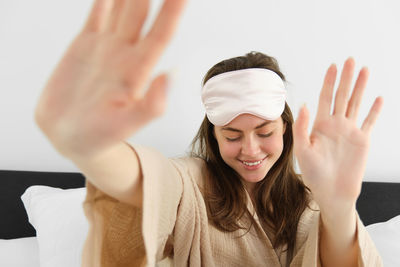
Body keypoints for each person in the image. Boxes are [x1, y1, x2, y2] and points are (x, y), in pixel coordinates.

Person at [34, 0, 383, 266]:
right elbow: (149, 184)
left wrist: (339, 210)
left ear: (286, 129)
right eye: (232, 135)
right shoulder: (193, 183)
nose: (250, 149)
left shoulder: (315, 194)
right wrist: (94, 149)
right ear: (213, 136)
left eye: (264, 132)